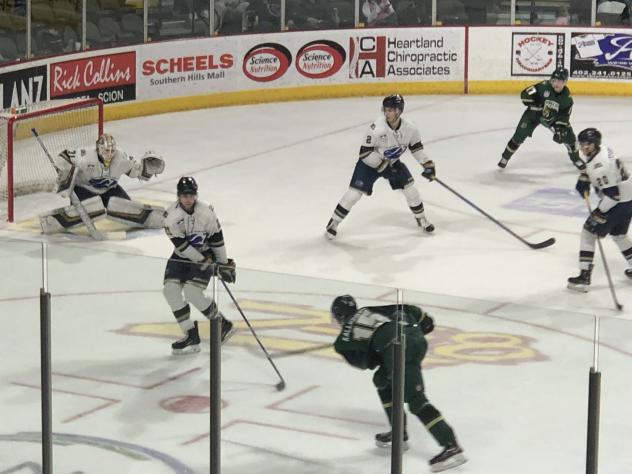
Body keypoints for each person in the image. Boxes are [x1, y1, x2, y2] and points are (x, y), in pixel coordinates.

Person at [331, 295, 467, 473]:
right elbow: (413, 312)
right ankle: (398, 434)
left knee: (416, 400)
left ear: (340, 316)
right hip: (414, 338)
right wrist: (424, 324)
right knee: (382, 380)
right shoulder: (371, 310)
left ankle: (452, 447)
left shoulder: (343, 340)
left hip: (399, 349)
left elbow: (365, 364)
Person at [325, 94, 435, 239]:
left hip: (393, 164)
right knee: (353, 195)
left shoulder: (410, 128)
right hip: (368, 165)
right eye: (385, 110)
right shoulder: (376, 128)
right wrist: (382, 166)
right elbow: (364, 153)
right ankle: (334, 223)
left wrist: (427, 164)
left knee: (411, 190)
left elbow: (416, 148)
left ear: (399, 111)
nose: (387, 113)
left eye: (390, 110)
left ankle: (421, 218)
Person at [162, 177, 237, 355]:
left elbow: (217, 239)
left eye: (191, 194)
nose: (188, 198)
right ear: (178, 196)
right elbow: (181, 246)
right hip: (182, 256)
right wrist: (202, 261)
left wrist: (223, 263)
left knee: (192, 292)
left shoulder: (206, 212)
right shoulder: (170, 217)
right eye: (184, 195)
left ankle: (222, 324)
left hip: (205, 254)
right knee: (170, 291)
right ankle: (190, 334)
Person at [40, 133, 166, 235]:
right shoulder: (86, 155)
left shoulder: (121, 157)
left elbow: (135, 170)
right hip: (84, 189)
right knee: (93, 208)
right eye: (106, 150)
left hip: (110, 189)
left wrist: (147, 169)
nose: (109, 154)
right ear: (98, 148)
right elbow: (64, 156)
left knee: (125, 207)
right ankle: (61, 219)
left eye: (112, 150)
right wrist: (64, 177)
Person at [568, 128, 632, 291]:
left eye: (586, 145)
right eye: (581, 144)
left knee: (588, 232)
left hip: (617, 202)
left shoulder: (600, 166)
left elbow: (612, 196)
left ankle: (584, 277)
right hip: (629, 199)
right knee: (619, 235)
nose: (583, 148)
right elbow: (591, 166)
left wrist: (599, 212)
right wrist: (584, 177)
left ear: (594, 145)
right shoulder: (601, 150)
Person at [498, 68, 585, 171]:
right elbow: (524, 95)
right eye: (554, 80)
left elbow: (564, 117)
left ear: (565, 82)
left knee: (569, 137)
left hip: (551, 117)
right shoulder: (543, 86)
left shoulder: (567, 99)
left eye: (560, 81)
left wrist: (559, 129)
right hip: (533, 115)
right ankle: (505, 157)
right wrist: (537, 102)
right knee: (519, 136)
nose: (556, 84)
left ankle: (576, 159)